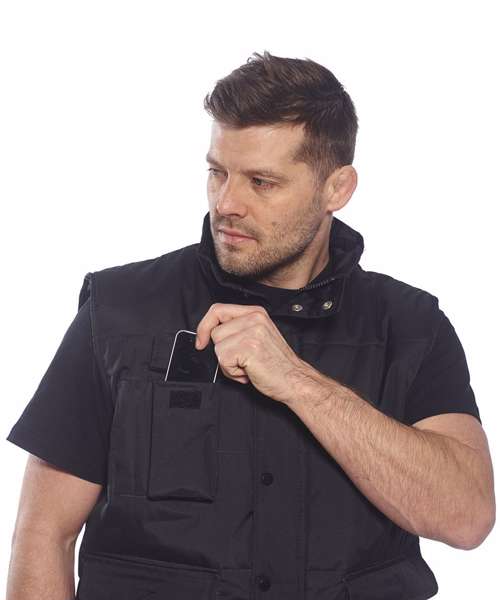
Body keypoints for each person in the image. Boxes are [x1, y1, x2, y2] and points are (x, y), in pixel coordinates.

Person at [6, 50, 495, 600]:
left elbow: (466, 517)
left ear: (337, 189)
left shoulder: (411, 326)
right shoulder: (118, 310)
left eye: (262, 182)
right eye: (217, 173)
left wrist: (297, 381)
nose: (227, 203)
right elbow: (44, 533)